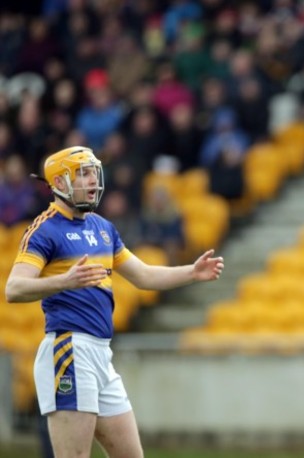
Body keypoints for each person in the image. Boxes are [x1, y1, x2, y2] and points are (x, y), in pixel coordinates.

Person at [4, 146, 225, 458]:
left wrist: (192, 272)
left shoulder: (102, 228)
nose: (93, 179)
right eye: (83, 173)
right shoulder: (45, 229)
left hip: (100, 354)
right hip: (69, 350)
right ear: (60, 182)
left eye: (94, 171)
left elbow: (144, 276)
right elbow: (13, 288)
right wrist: (63, 282)